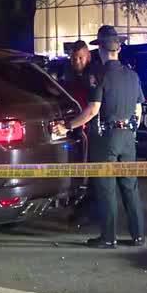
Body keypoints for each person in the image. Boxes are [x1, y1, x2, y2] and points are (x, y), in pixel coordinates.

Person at [64, 26, 146, 249]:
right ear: (118, 48)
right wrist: (128, 131)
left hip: (106, 139)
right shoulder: (132, 74)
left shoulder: (98, 75)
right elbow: (138, 111)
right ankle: (138, 236)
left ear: (100, 49)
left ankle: (109, 237)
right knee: (130, 186)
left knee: (106, 188)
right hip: (128, 137)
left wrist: (67, 126)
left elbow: (92, 110)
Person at [59, 41, 94, 224]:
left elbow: (92, 108)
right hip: (76, 129)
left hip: (88, 130)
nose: (77, 61)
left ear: (87, 56)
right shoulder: (69, 76)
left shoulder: (92, 76)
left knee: (88, 174)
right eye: (74, 58)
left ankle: (86, 211)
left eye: (81, 57)